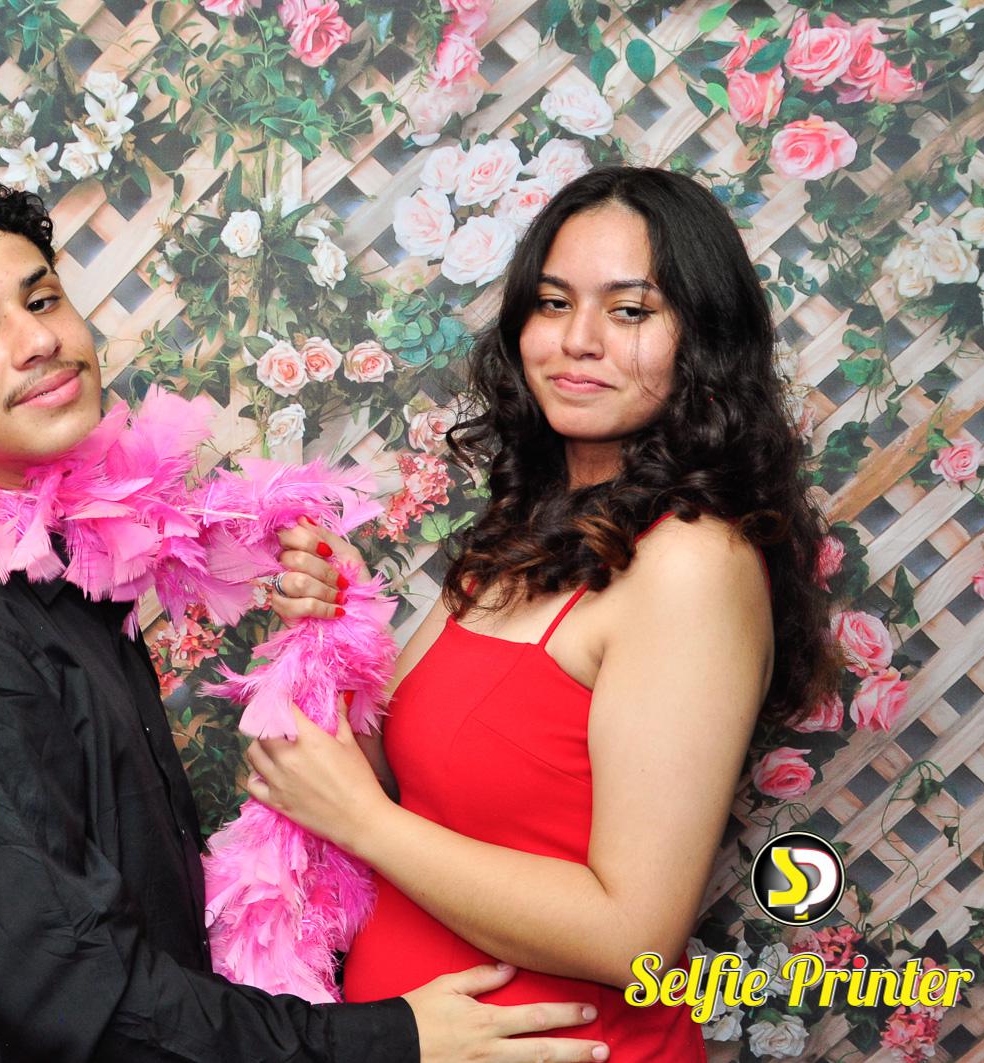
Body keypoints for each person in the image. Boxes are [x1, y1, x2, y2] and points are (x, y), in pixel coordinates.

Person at [0, 175, 614, 1062]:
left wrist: (318, 604)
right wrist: (398, 1040)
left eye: (41, 299)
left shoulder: (50, 568)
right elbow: (93, 1005)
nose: (39, 340)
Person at [252, 166, 836, 1060]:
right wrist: (340, 618)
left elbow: (635, 937)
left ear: (703, 340)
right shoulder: (526, 527)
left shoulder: (692, 563)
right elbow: (395, 779)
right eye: (553, 303)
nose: (577, 340)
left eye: (630, 311)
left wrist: (363, 823)